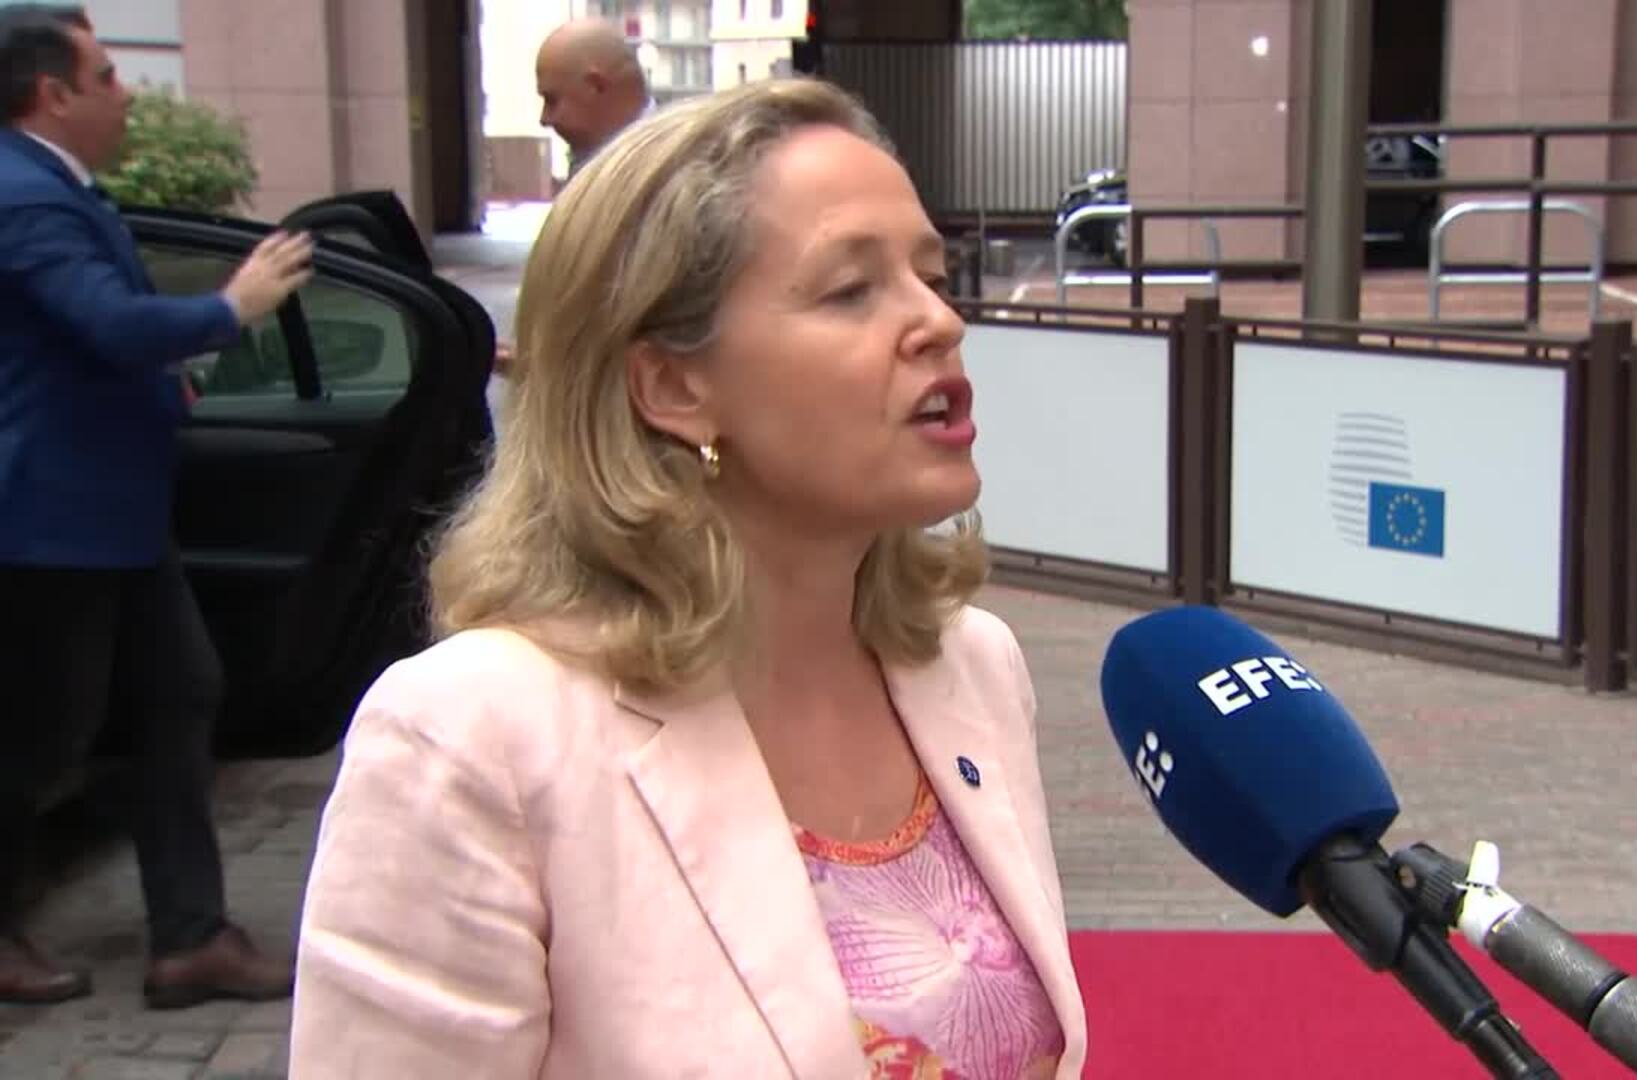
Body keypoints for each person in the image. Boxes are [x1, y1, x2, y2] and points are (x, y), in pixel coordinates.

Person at [289, 79, 1089, 1076]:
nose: (937, 320)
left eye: (932, 274)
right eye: (851, 290)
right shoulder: (469, 737)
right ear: (672, 385)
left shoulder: (971, 663)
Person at [0, 4, 313, 1008]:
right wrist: (232, 307)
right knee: (40, 735)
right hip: (50, 522)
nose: (126, 92)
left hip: (114, 517)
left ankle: (190, 939)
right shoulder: (22, 195)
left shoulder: (56, 187)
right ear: (51, 93)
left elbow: (81, 342)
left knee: (179, 697)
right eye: (105, 75)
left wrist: (165, 381)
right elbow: (106, 322)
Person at [535, 16, 652, 180]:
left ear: (596, 86)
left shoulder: (674, 175)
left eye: (552, 100)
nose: (544, 119)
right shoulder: (590, 164)